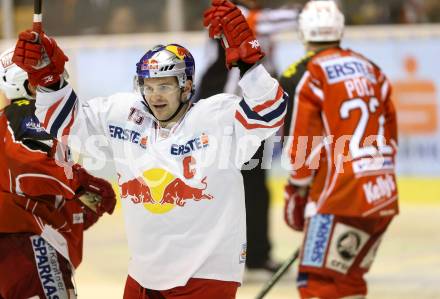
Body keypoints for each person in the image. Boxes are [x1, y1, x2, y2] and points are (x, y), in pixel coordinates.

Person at [12, 0, 288, 298]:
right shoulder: (125, 113)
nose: (155, 96)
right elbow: (64, 124)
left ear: (186, 86)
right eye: (149, 85)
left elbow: (270, 111)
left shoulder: (217, 117)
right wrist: (49, 80)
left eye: (165, 86)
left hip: (206, 275)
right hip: (144, 275)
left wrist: (249, 63)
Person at [279, 1, 399, 298]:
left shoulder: (312, 74)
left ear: (302, 31)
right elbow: (392, 137)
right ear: (340, 28)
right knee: (350, 280)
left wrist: (296, 188)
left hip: (336, 199)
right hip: (380, 195)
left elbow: (303, 148)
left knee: (318, 284)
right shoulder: (373, 70)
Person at [0, 48, 116, 299]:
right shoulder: (27, 114)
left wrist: (78, 210)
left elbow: (36, 188)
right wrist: (81, 184)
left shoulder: (14, 119)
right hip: (27, 245)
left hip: (21, 244)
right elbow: (25, 167)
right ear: (28, 85)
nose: (59, 80)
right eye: (48, 77)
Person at [197, 0, 299, 279]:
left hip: (246, 114)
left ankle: (254, 256)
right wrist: (315, 12)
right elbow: (280, 20)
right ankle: (239, 258)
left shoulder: (249, 15)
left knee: (251, 186)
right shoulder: (237, 14)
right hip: (230, 115)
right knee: (226, 187)